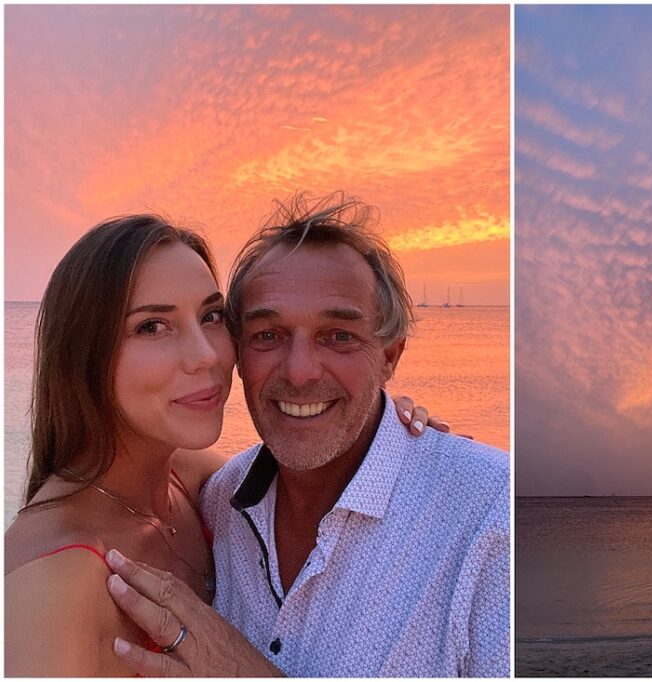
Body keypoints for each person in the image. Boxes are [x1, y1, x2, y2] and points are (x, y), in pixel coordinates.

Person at [4, 215, 436, 676]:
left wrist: (383, 422)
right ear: (81, 356)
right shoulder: (52, 588)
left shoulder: (198, 482)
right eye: (152, 326)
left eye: (211, 316)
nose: (207, 355)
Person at [105, 193, 510, 677]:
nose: (299, 373)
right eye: (268, 335)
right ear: (236, 353)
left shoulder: (490, 521)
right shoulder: (220, 502)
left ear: (389, 357)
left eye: (338, 335)